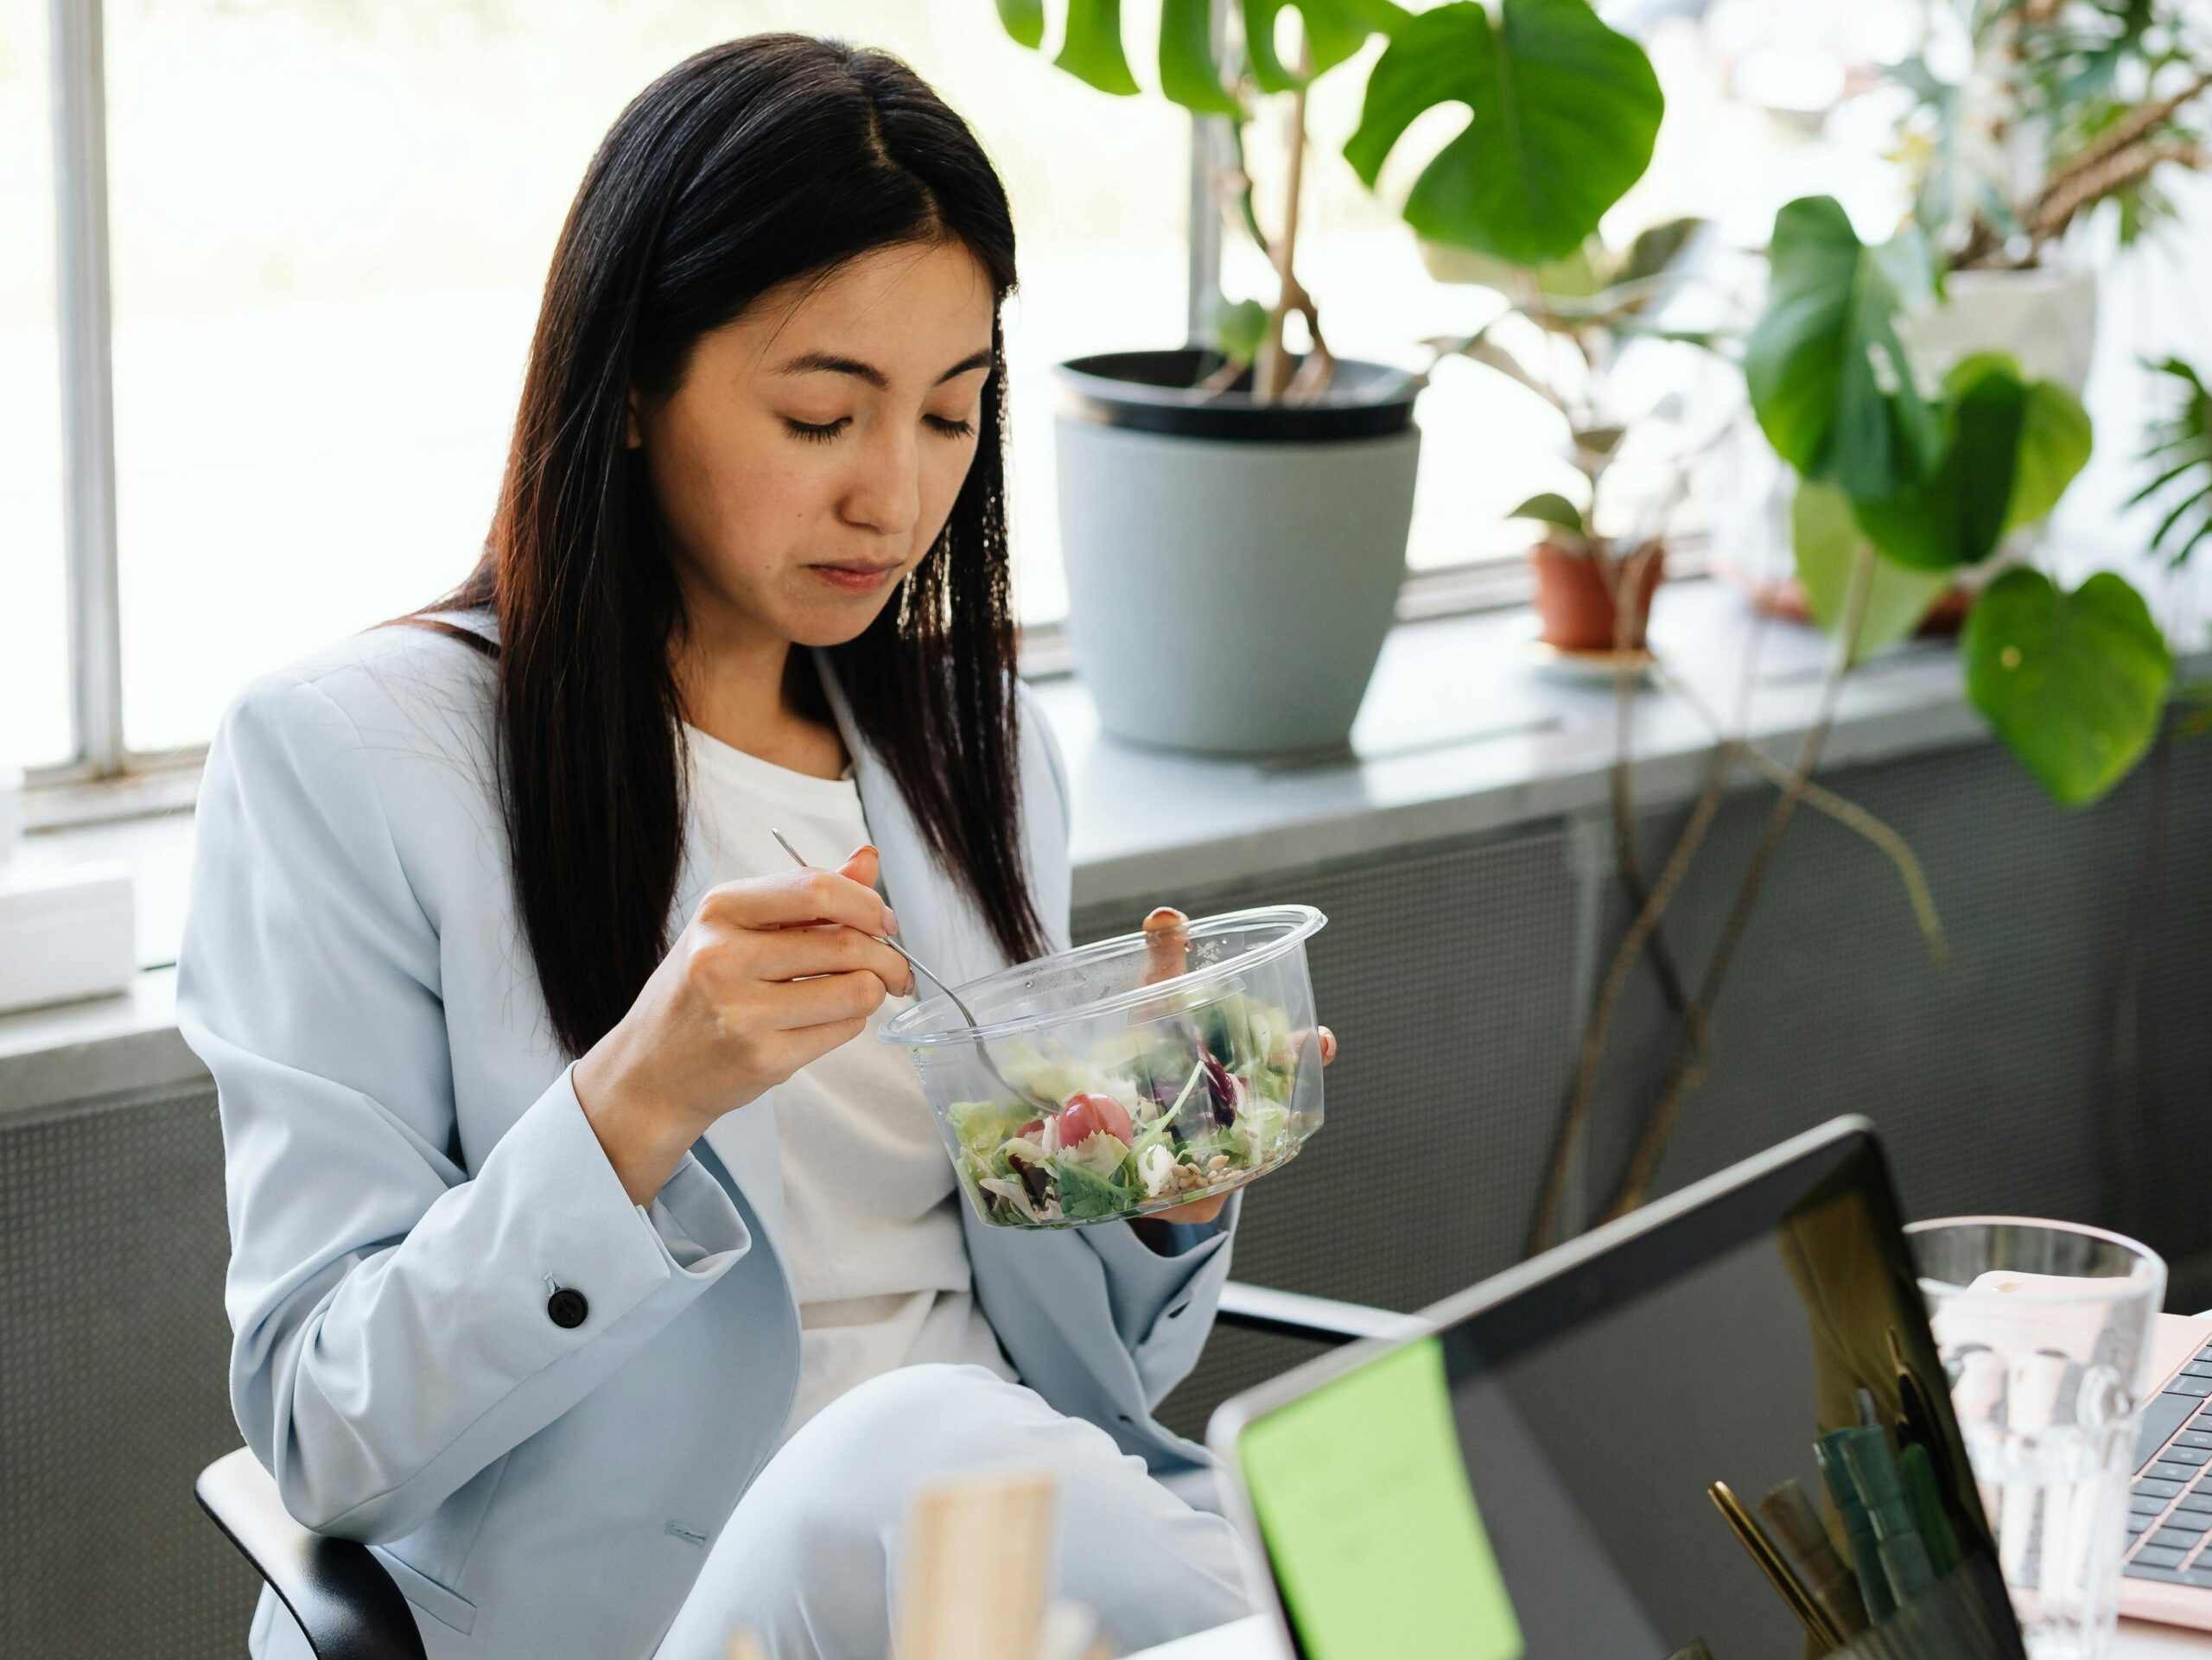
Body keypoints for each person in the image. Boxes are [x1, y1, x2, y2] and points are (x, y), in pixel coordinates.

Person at [176, 33, 1333, 1660]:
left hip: (1003, 1590)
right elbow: (326, 1428)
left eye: (951, 415)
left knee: (1407, 1471)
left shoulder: (982, 752)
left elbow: (1105, 1383)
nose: (897, 497)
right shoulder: (353, 759)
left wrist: (1158, 1185)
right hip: (667, 1619)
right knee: (929, 1442)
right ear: (629, 386)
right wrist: (639, 1098)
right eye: (821, 415)